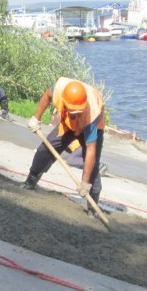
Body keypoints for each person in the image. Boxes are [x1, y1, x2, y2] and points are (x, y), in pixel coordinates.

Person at [22, 77, 106, 207]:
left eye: (78, 111)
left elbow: (90, 149)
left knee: (92, 170)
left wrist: (84, 182)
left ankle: (93, 207)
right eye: (73, 111)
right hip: (68, 125)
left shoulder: (91, 114)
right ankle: (30, 182)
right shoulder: (59, 89)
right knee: (45, 149)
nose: (76, 113)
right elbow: (46, 97)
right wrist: (36, 118)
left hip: (90, 126)